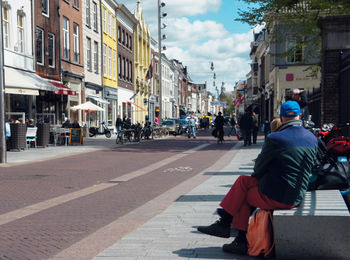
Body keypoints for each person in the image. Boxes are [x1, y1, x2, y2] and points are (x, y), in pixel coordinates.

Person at [197, 101, 318, 255]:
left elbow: (259, 168)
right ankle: (225, 222)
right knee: (242, 181)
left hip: (280, 196)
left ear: (281, 117)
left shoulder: (276, 138)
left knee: (245, 195)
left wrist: (261, 174)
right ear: (300, 115)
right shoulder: (311, 138)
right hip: (297, 194)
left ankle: (238, 238)